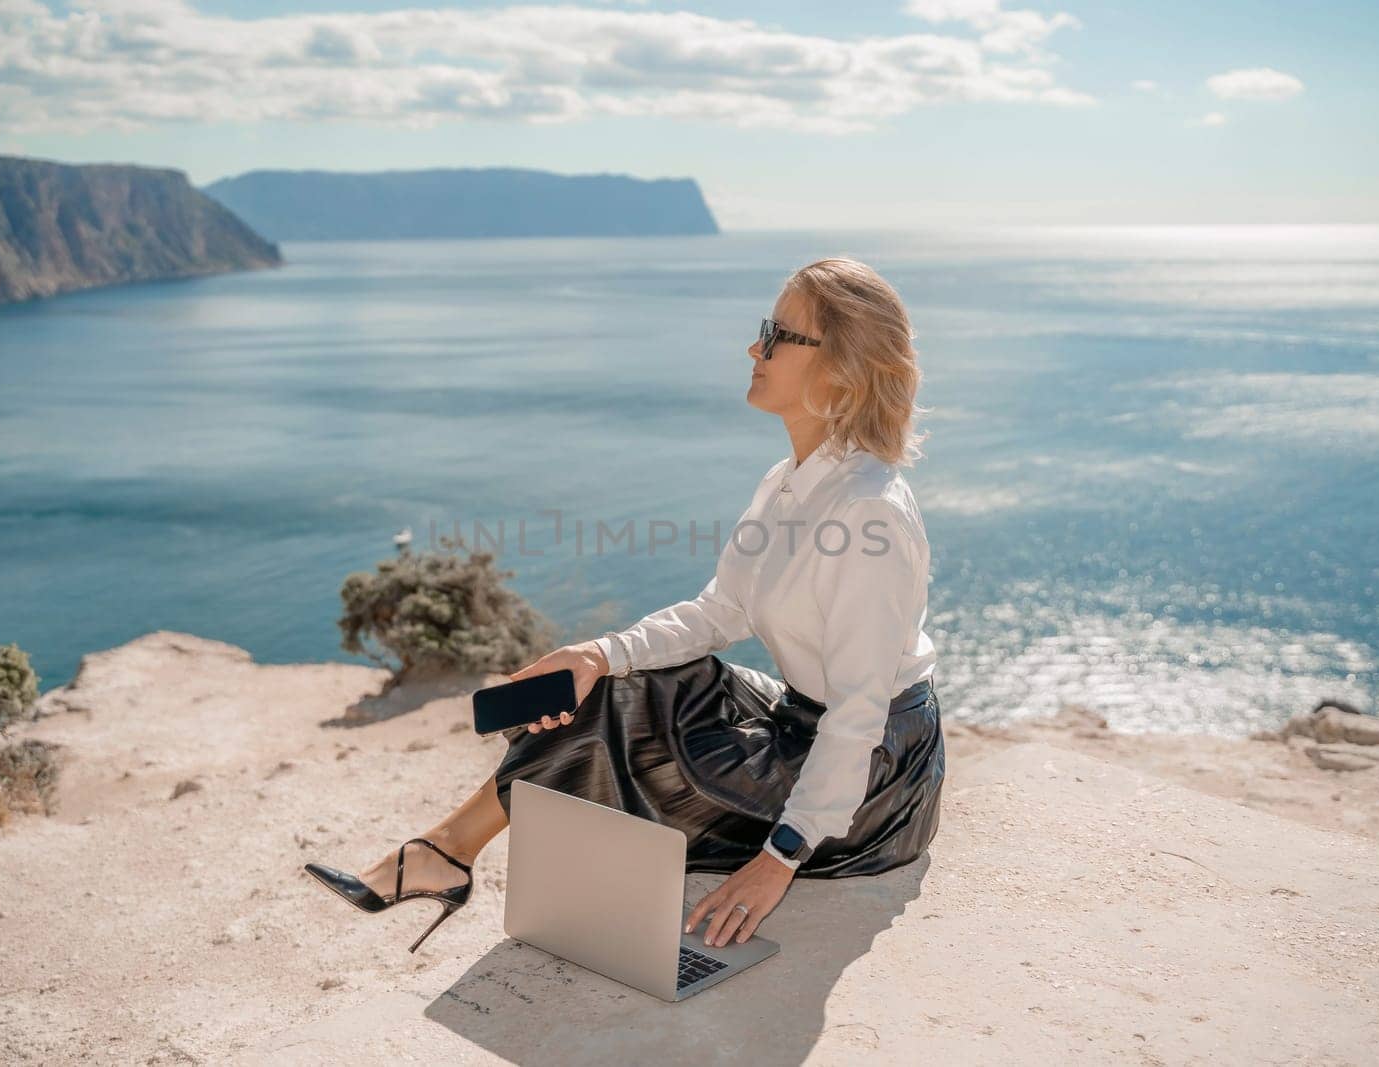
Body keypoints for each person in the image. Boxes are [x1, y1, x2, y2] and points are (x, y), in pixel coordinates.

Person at [304, 256, 944, 955]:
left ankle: (441, 856)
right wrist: (597, 653)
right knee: (617, 685)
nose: (754, 348)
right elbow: (718, 613)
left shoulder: (868, 513)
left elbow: (858, 716)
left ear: (843, 368)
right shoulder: (786, 484)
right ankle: (446, 853)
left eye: (778, 334)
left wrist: (778, 859)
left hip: (877, 778)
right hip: (801, 721)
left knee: (618, 719)